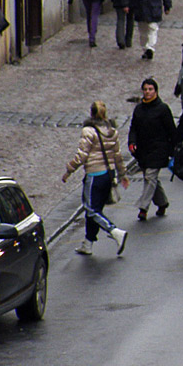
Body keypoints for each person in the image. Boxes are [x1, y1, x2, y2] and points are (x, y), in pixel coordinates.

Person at [63, 100, 130, 256]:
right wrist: (123, 174)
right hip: (109, 174)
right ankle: (88, 243)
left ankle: (114, 231)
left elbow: (82, 156)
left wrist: (69, 170)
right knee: (95, 210)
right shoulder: (112, 130)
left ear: (91, 113)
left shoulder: (88, 131)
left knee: (91, 209)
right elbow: (117, 155)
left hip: (94, 175)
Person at [128, 77, 177, 221]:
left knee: (150, 176)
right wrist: (132, 142)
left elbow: (171, 131)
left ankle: (143, 207)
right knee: (151, 179)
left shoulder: (163, 109)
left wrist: (172, 151)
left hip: (158, 149)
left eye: (150, 89)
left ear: (156, 91)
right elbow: (133, 128)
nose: (147, 92)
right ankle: (162, 202)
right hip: (143, 149)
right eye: (145, 89)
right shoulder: (139, 109)